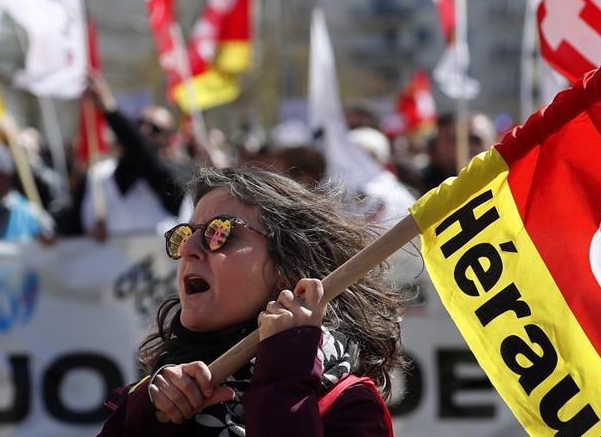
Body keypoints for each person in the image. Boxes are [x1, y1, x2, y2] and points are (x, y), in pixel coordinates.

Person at [99, 166, 403, 436]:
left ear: (288, 269)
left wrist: (284, 376)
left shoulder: (349, 405)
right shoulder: (153, 396)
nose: (189, 248)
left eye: (219, 233)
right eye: (185, 234)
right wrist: (144, 415)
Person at [57, 71, 191, 240]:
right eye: (139, 124)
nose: (144, 131)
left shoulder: (178, 175)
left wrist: (111, 111)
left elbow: (147, 160)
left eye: (155, 129)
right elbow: (68, 229)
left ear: (168, 139)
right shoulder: (96, 176)